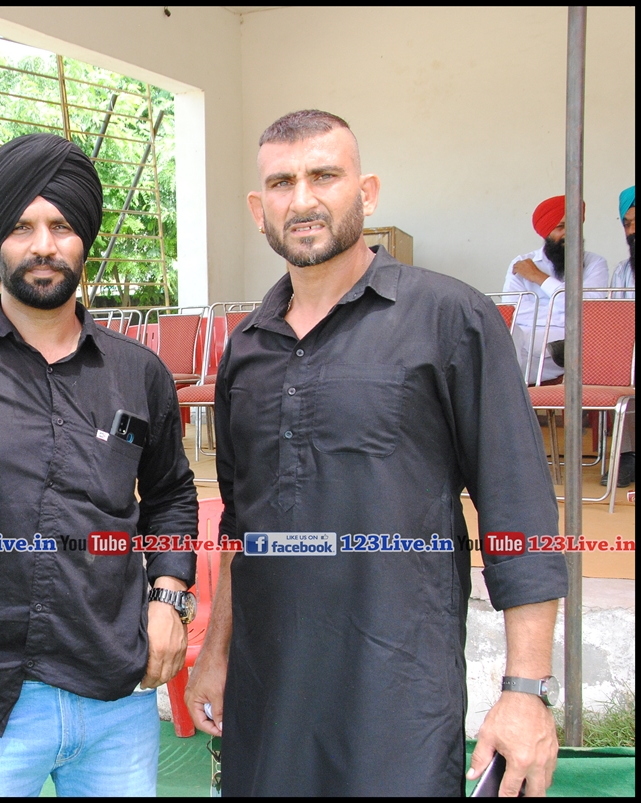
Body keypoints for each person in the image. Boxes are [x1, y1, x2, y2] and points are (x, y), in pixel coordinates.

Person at [185, 110, 568, 796]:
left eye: (324, 176)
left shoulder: (450, 318)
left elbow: (519, 508)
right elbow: (240, 526)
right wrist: (216, 651)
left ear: (367, 193)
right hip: (269, 694)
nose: (303, 199)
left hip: (397, 695)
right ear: (258, 208)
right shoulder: (246, 348)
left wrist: (526, 689)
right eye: (282, 182)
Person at [0, 133, 200, 796]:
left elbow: (172, 494)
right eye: (21, 227)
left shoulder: (138, 372)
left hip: (118, 693)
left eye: (61, 226)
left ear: (83, 238)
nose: (43, 245)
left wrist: (169, 595)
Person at [503, 195, 609, 384]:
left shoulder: (594, 263)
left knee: (507, 363)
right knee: (506, 338)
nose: (570, 233)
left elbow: (588, 309)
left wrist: (539, 278)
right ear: (546, 231)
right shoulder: (521, 263)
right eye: (561, 227)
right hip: (522, 340)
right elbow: (514, 313)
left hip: (566, 346)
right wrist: (565, 313)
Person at [602, 185, 634, 486]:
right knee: (622, 367)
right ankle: (627, 455)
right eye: (627, 224)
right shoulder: (622, 271)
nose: (632, 231)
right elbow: (616, 323)